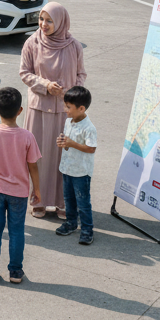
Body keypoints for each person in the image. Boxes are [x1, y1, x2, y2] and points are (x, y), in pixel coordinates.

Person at [19, 2, 86, 220]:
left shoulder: (73, 45)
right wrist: (44, 85)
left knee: (63, 157)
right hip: (38, 109)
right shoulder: (32, 43)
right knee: (37, 157)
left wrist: (72, 93)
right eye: (41, 19)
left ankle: (62, 202)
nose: (44, 24)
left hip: (65, 111)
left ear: (60, 22)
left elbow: (81, 75)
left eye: (49, 20)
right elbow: (25, 73)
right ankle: (38, 199)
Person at [0, 87, 41, 284]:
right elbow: (33, 166)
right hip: (19, 192)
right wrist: (37, 190)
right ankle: (15, 271)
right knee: (16, 231)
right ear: (20, 110)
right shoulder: (27, 136)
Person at [56, 86, 97, 245]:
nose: (65, 110)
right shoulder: (68, 122)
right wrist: (64, 143)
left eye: (68, 107)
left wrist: (72, 144)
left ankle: (87, 230)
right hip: (67, 168)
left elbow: (91, 148)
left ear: (81, 108)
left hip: (81, 172)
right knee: (69, 199)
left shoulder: (89, 128)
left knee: (83, 202)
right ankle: (71, 223)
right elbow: (68, 142)